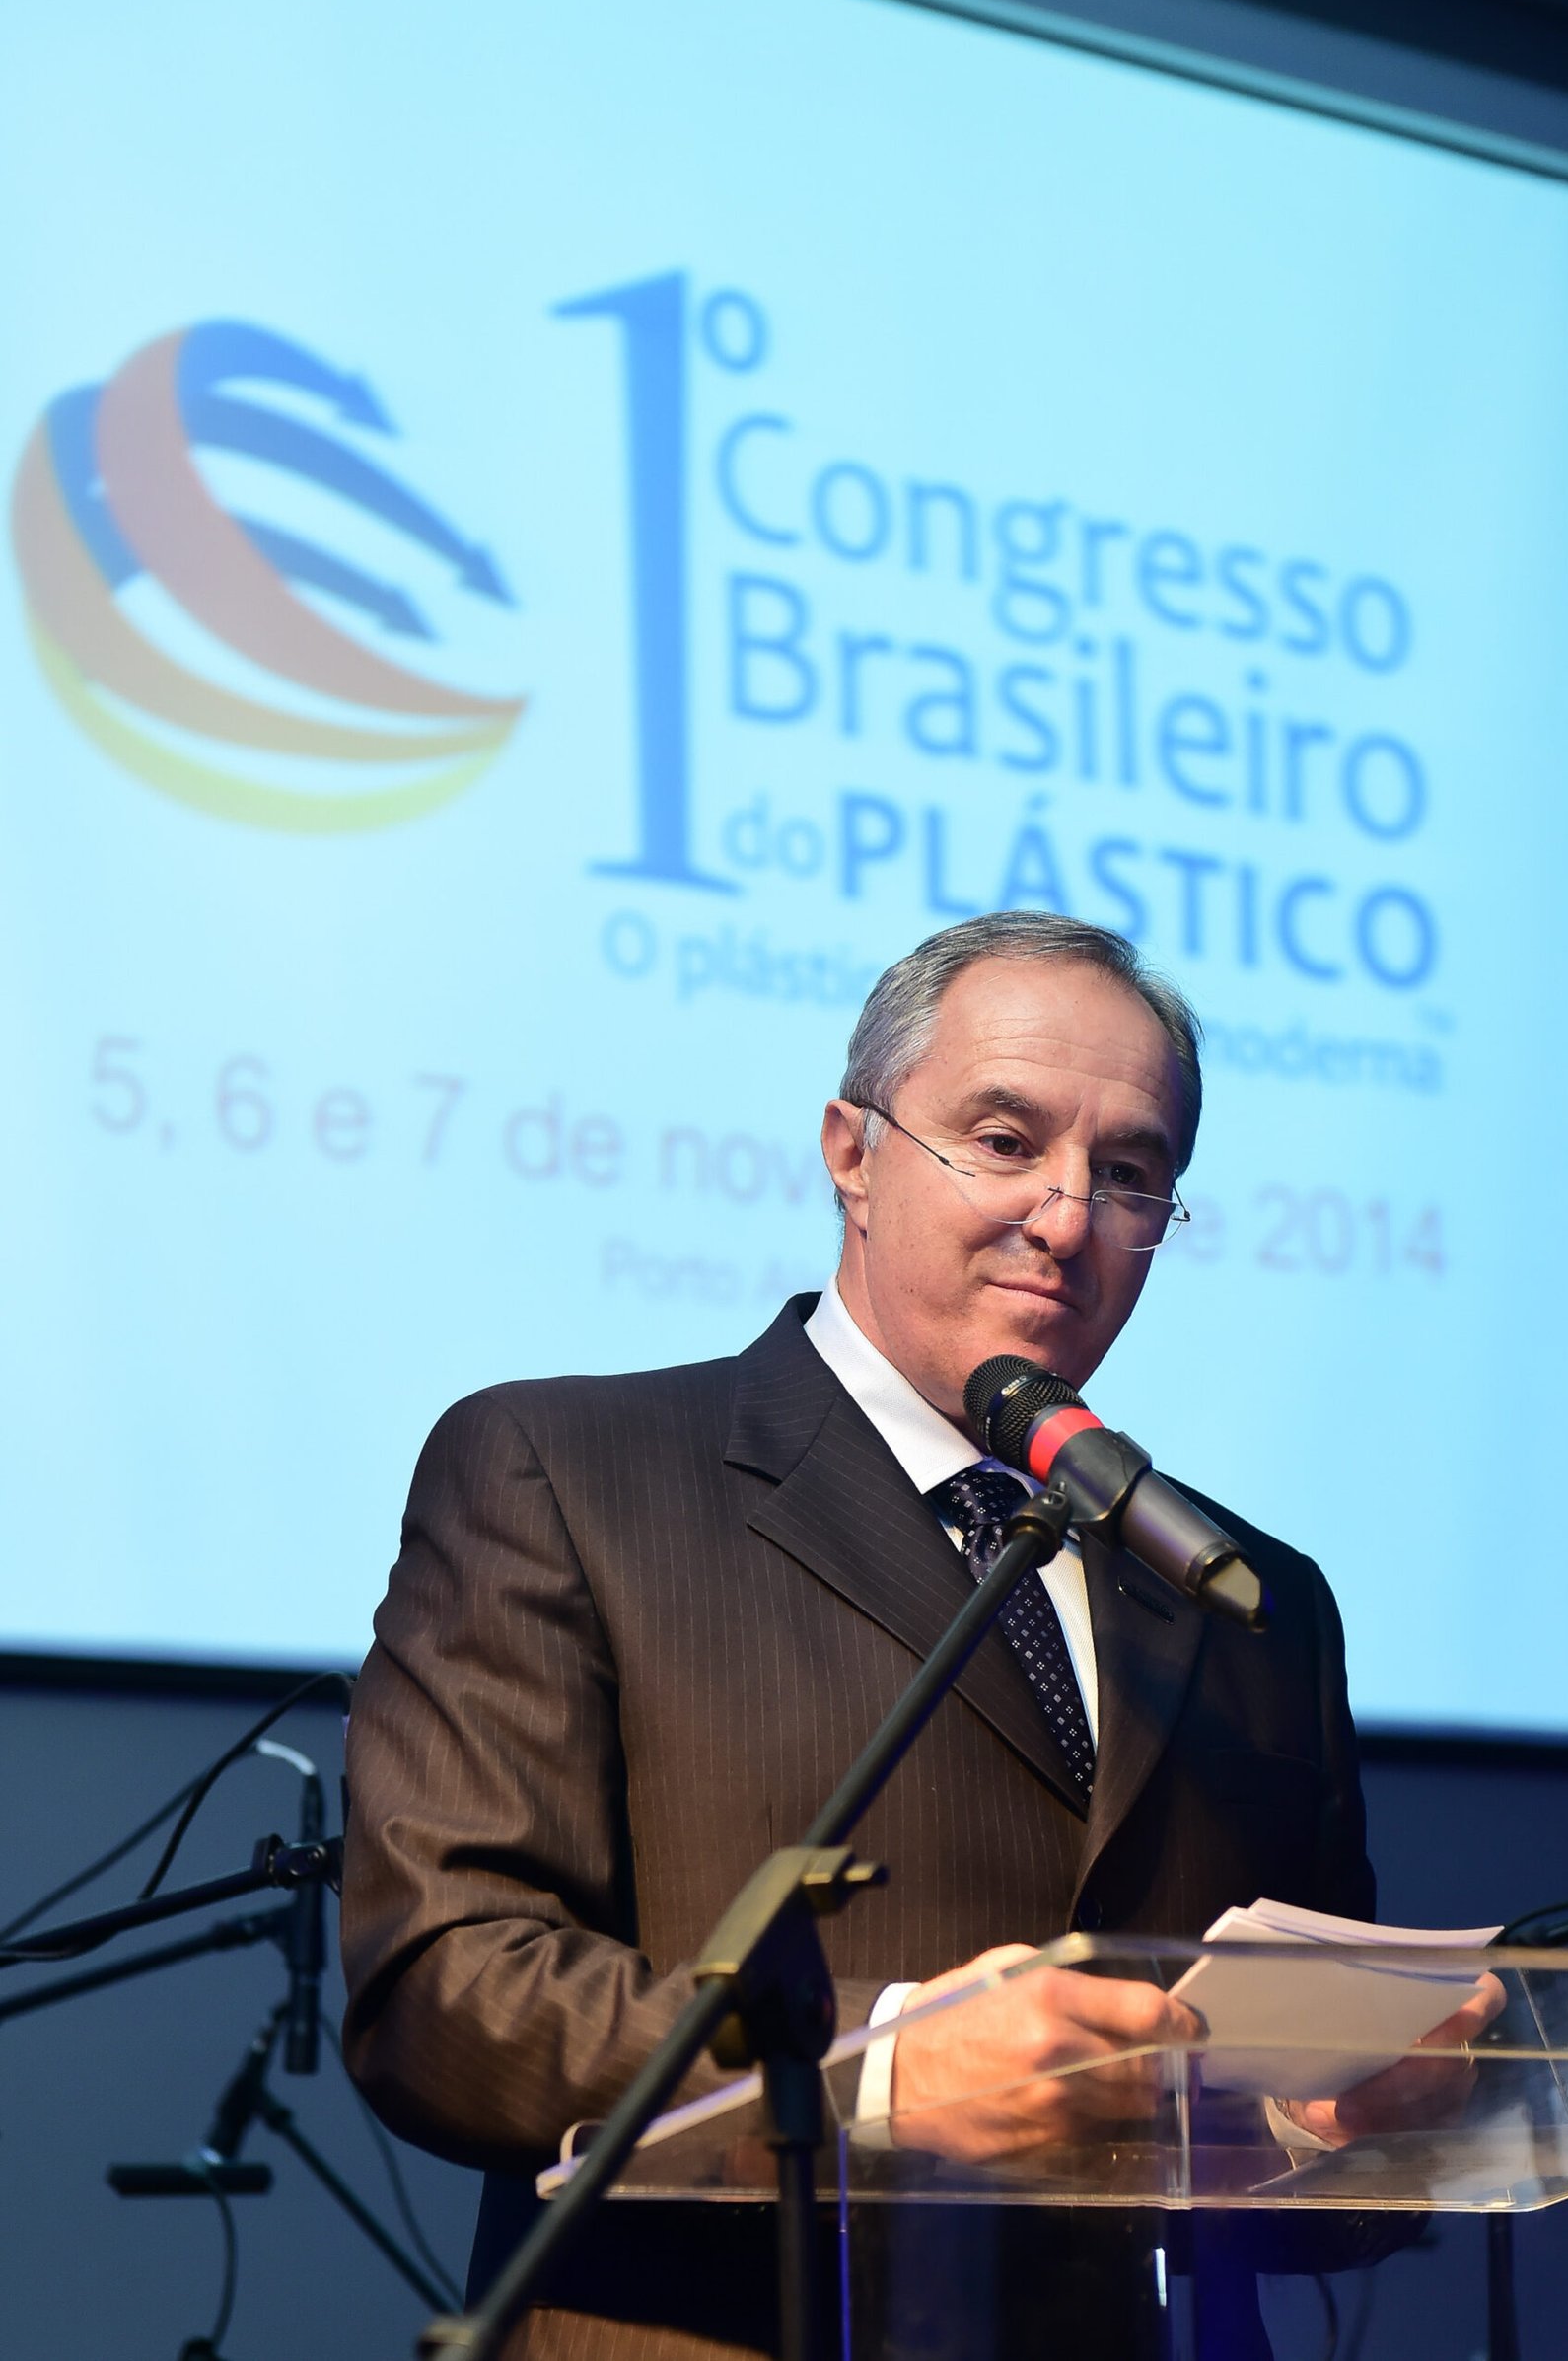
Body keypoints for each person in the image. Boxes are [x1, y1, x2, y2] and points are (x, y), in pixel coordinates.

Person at [339, 913, 1479, 2360]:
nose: (1067, 1217)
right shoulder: (565, 1474)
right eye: (1004, 1141)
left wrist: (1354, 2127)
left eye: (1131, 1175)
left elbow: (1313, 2165)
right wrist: (875, 2074)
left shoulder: (1256, 1599)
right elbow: (443, 1991)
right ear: (852, 1151)